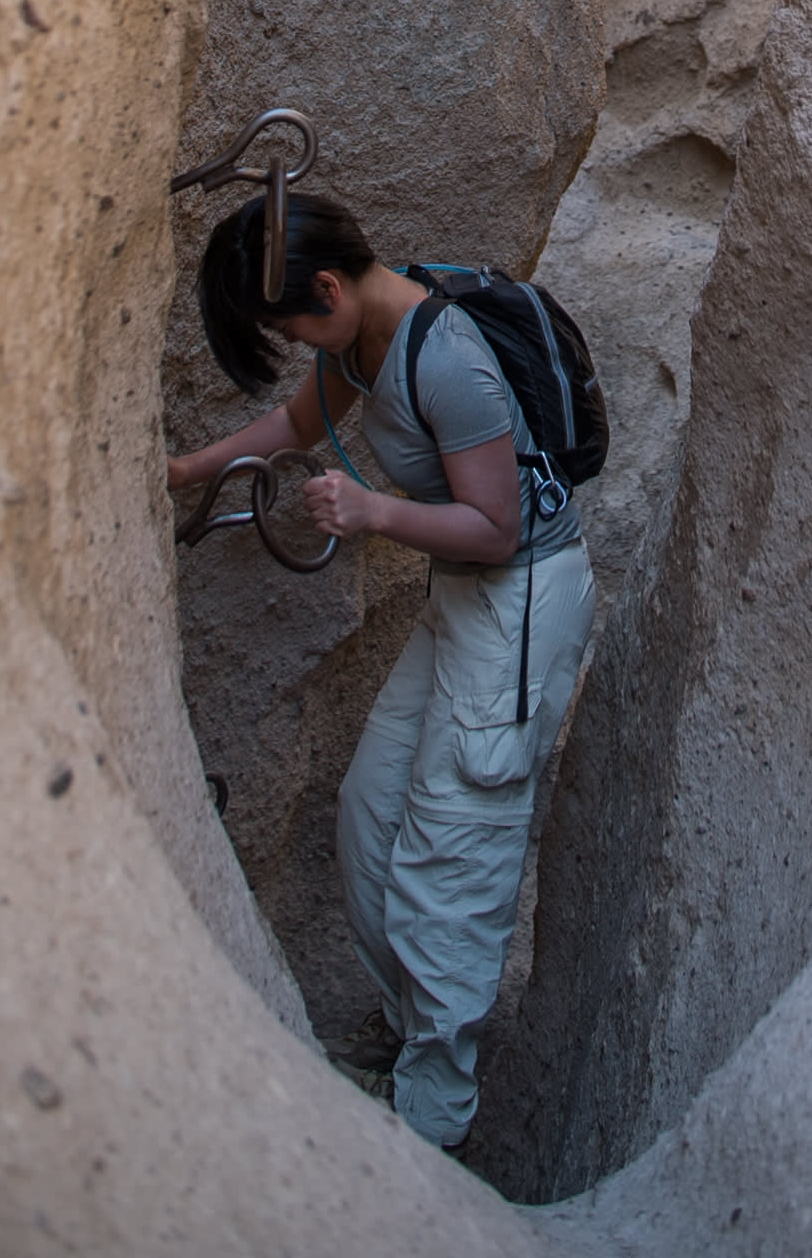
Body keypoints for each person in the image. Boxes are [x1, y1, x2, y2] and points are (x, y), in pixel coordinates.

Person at [165, 192, 595, 1154]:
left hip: (520, 600)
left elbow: (498, 527)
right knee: (371, 813)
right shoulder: (354, 334)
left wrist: (370, 514)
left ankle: (431, 1127)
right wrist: (189, 470)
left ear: (327, 285)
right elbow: (301, 422)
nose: (290, 340)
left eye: (287, 322)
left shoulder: (445, 357)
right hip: (466, 600)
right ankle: (409, 1037)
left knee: (455, 850)